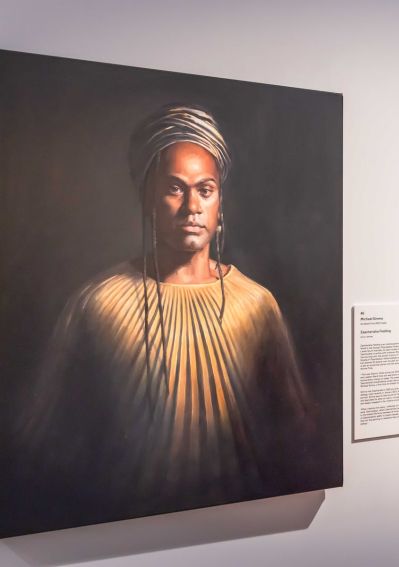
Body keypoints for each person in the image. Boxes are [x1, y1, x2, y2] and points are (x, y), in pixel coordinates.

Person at [15, 105, 314, 530]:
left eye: (205, 190)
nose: (192, 206)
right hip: (118, 527)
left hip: (246, 524)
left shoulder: (256, 304)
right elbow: (47, 438)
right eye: (175, 188)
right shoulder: (97, 304)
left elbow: (297, 432)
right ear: (148, 199)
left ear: (220, 203)